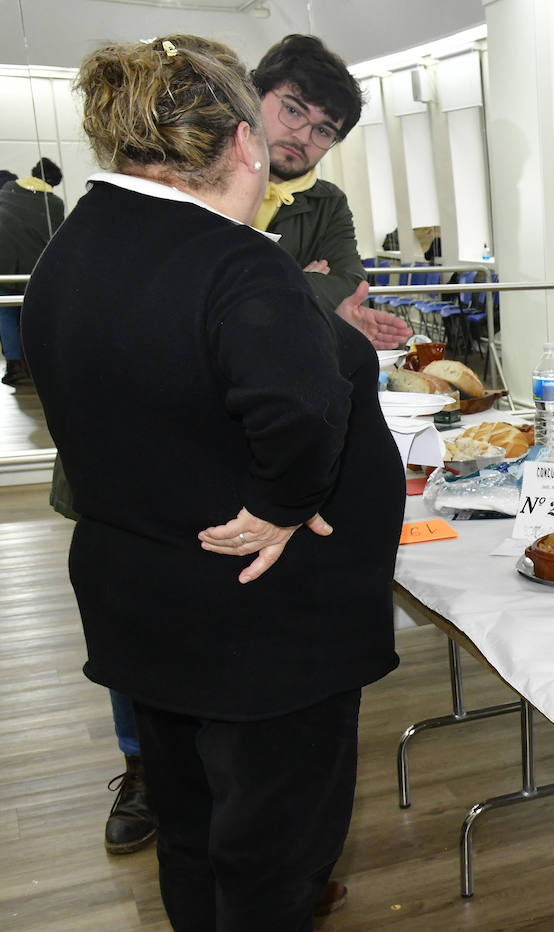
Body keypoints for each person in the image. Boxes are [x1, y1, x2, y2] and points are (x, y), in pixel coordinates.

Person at [23, 35, 402, 927]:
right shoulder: (234, 262)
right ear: (242, 142)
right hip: (259, 633)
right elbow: (303, 411)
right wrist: (283, 506)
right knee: (275, 854)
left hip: (147, 606)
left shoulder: (71, 251)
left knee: (193, 830)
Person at [250, 34, 410, 351]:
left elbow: (348, 281)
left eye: (323, 130)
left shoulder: (328, 203)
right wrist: (297, 279)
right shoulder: (204, 175)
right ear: (255, 95)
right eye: (293, 111)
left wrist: (274, 288)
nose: (302, 137)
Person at [0, 157, 64, 386]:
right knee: (34, 315)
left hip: (5, 265)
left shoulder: (7, 190)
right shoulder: (54, 203)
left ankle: (14, 365)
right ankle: (40, 365)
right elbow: (56, 238)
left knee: (5, 314)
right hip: (35, 270)